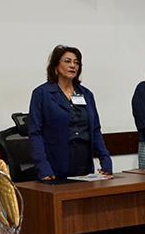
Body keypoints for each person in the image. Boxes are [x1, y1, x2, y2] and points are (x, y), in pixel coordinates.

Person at [28, 45, 112, 181]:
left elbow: (95, 130)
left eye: (76, 62)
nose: (73, 65)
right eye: (67, 61)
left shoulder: (86, 94)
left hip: (84, 164)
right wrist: (42, 166)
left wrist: (106, 160)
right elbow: (35, 133)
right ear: (55, 65)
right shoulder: (42, 94)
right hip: (55, 164)